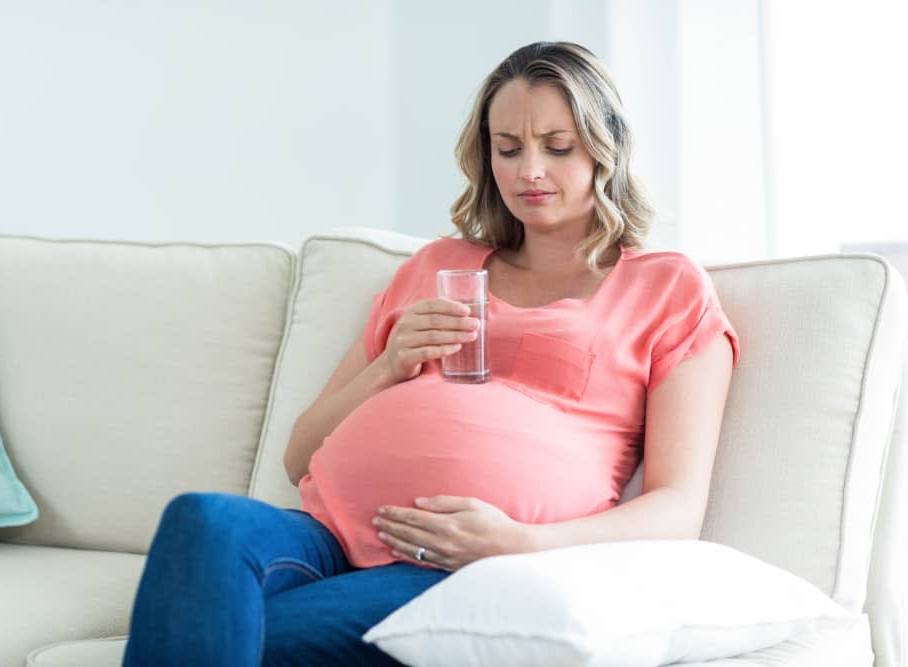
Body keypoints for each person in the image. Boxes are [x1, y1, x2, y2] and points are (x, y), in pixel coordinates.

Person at [122, 40, 740, 666]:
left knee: (216, 629)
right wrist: (392, 363)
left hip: (462, 565)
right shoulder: (438, 266)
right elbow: (297, 455)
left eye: (557, 147)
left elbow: (676, 508)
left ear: (605, 150)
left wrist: (519, 543)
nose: (529, 170)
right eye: (507, 148)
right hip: (327, 537)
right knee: (202, 519)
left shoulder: (665, 287)